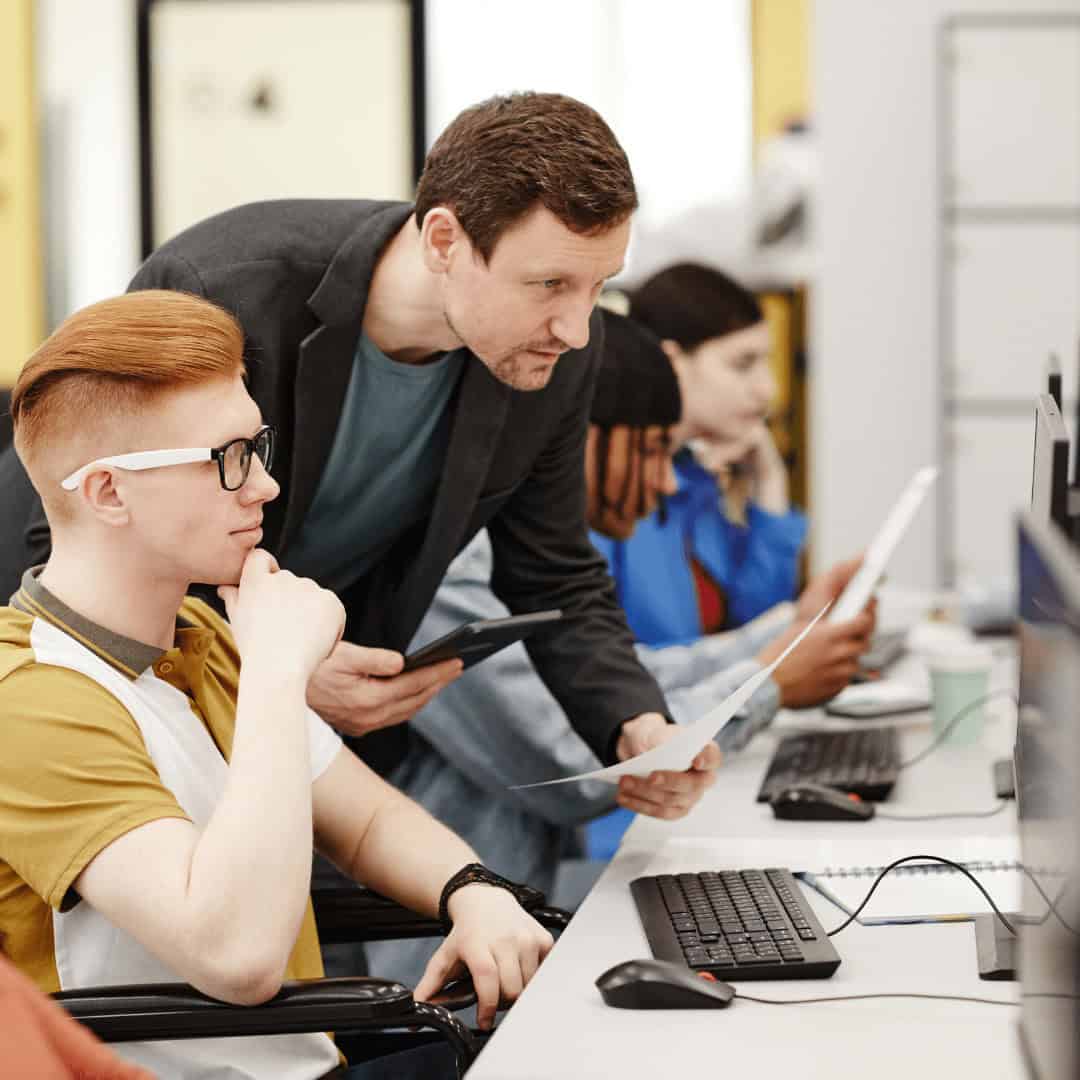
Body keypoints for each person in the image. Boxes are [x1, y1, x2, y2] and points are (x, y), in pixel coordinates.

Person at [6, 91, 719, 821]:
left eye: (599, 285)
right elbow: (81, 548)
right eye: (548, 285)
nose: (575, 326)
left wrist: (636, 724)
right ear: (443, 241)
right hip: (95, 697)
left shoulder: (556, 352)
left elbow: (555, 569)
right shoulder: (225, 288)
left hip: (318, 730)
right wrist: (273, 669)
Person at [0, 289, 565, 1079]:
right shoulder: (29, 698)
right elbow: (234, 955)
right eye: (227, 460)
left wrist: (474, 890)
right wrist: (275, 670)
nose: (263, 486)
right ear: (107, 493)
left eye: (257, 448)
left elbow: (364, 823)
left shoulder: (204, 636)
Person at [364, 311, 875, 990]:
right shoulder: (443, 569)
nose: (666, 482)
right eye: (655, 449)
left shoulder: (529, 558)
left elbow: (629, 679)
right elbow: (569, 751)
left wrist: (785, 637)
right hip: (444, 977)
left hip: (522, 919)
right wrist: (769, 680)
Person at [592, 262, 808, 646]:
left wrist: (770, 481)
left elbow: (759, 627)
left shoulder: (692, 480)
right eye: (743, 364)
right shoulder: (605, 489)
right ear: (670, 362)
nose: (767, 390)